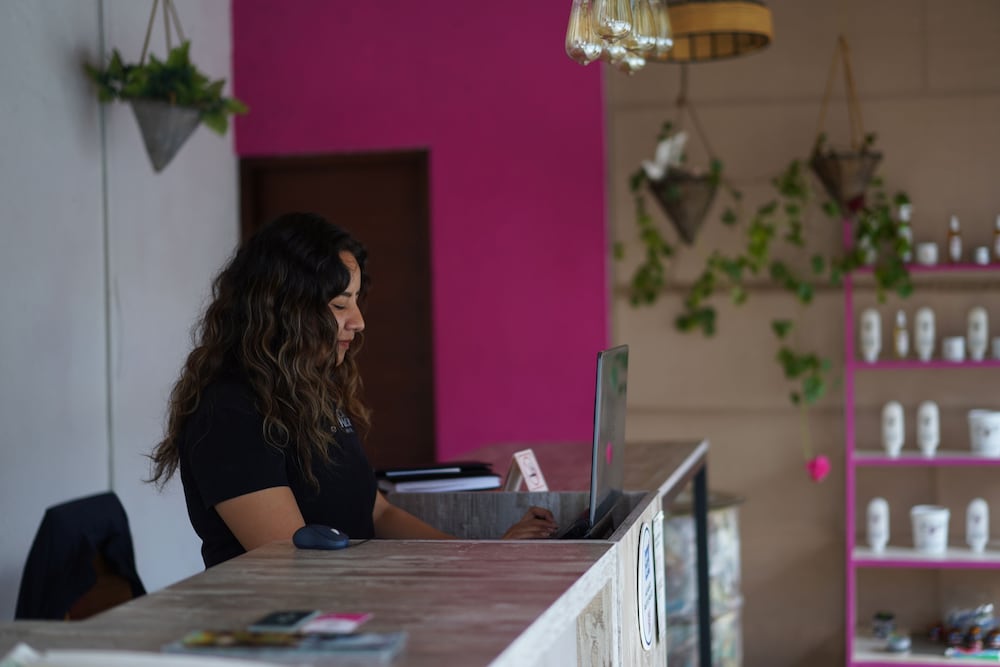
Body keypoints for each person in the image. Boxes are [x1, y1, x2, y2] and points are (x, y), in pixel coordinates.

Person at [148, 212, 557, 567]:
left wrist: (479, 556)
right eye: (341, 305)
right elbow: (293, 561)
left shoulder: (311, 392)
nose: (358, 321)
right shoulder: (229, 411)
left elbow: (376, 513)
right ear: (285, 309)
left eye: (357, 301)